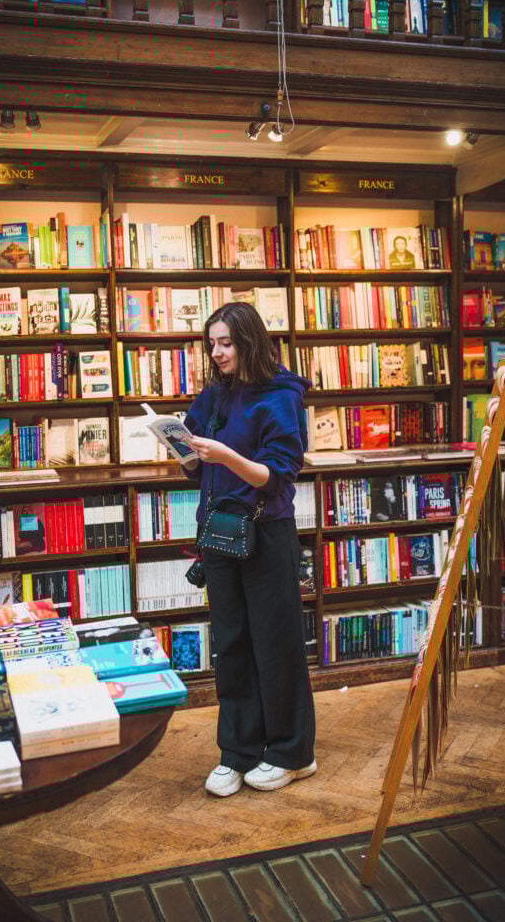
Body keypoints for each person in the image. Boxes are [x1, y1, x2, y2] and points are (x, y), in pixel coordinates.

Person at [182, 302, 316, 797]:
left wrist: (225, 456)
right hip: (219, 533)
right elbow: (197, 461)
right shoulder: (216, 393)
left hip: (265, 534)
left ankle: (291, 753)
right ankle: (237, 751)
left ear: (249, 341)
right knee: (232, 645)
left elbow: (276, 474)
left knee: (276, 646)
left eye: (226, 343)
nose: (217, 353)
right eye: (211, 343)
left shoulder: (280, 395)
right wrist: (184, 451)